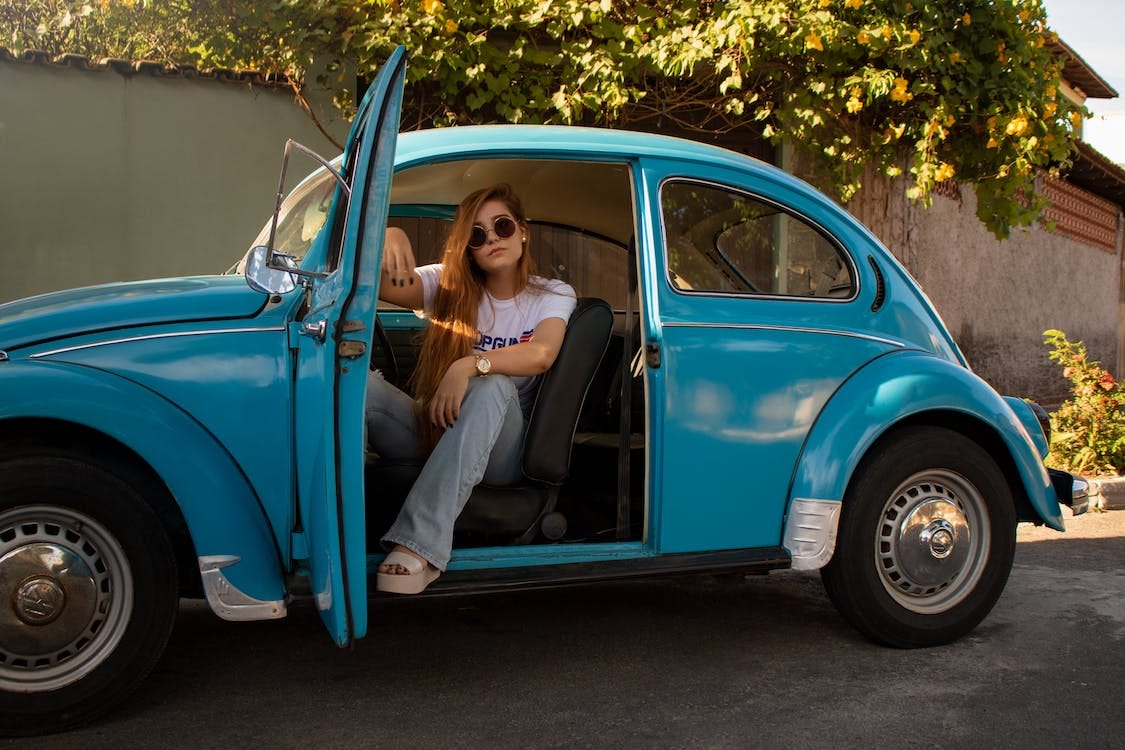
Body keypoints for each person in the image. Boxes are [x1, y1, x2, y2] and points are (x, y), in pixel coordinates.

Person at [368, 183, 577, 594]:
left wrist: (469, 365)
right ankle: (336, 526)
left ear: (522, 230)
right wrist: (387, 236)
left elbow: (541, 354)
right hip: (444, 427)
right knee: (360, 387)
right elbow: (376, 285)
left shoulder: (551, 293)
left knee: (492, 384)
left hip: (503, 449)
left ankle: (419, 545)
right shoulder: (449, 284)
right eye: (478, 235)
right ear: (468, 247)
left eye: (501, 226)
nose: (492, 239)